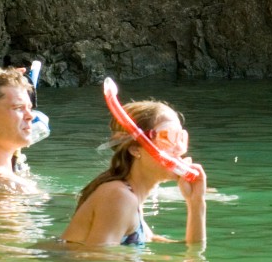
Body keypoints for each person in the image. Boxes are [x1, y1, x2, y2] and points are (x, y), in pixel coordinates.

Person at [62, 98, 206, 247]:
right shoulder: (119, 196)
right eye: (166, 136)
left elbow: (191, 251)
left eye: (181, 138)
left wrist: (196, 202)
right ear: (135, 149)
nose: (178, 149)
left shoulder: (132, 200)